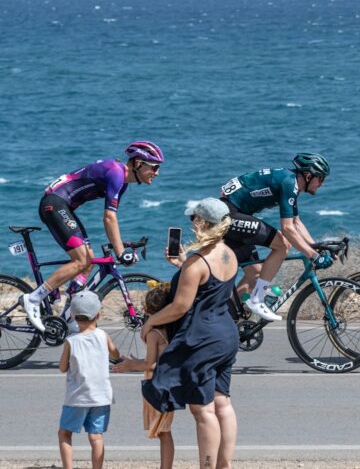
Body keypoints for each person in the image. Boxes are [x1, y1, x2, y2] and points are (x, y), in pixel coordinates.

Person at [21, 142, 163, 332]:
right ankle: (33, 298)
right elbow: (109, 217)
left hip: (64, 206)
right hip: (54, 204)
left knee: (87, 263)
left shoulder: (122, 183)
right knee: (80, 260)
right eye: (154, 167)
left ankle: (69, 315)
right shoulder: (116, 173)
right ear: (138, 164)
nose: (157, 172)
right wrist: (120, 252)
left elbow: (111, 217)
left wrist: (119, 245)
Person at [142, 198, 239, 469]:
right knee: (223, 403)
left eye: (193, 220)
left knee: (202, 409)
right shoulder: (227, 254)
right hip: (226, 335)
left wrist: (151, 323)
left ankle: (207, 466)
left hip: (202, 339)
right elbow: (210, 289)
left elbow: (179, 307)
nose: (192, 224)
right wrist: (182, 265)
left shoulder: (197, 263)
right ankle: (224, 464)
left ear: (202, 223)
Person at [219, 153, 333, 321]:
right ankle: (257, 299)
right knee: (282, 244)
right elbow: (287, 229)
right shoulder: (289, 183)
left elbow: (296, 222)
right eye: (321, 178)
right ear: (308, 176)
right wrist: (314, 256)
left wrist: (316, 247)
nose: (322, 184)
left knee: (256, 274)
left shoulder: (291, 182)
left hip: (233, 212)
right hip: (230, 213)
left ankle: (229, 317)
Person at [112, 283, 175, 469]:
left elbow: (151, 364)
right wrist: (138, 361)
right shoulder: (168, 330)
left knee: (164, 432)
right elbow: (156, 358)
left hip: (158, 384)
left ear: (146, 310)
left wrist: (131, 365)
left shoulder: (154, 333)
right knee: (164, 431)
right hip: (165, 382)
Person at [58, 290, 119, 469]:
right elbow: (115, 353)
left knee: (65, 433)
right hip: (101, 396)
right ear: (98, 314)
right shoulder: (103, 335)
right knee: (96, 436)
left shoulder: (71, 341)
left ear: (73, 316)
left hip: (77, 397)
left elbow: (62, 368)